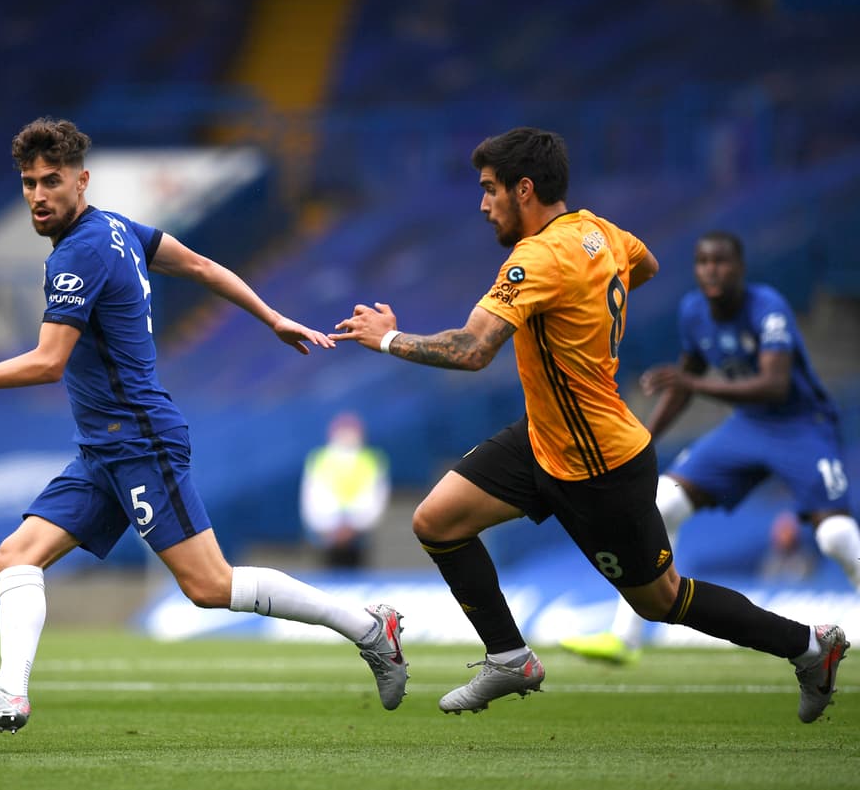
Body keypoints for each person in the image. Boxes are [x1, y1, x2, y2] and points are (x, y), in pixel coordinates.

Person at [0, 117, 407, 734]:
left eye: (51, 181)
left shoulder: (81, 252)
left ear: (81, 180)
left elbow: (47, 361)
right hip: (102, 450)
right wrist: (270, 316)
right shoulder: (116, 228)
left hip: (139, 441)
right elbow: (198, 266)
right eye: (29, 183)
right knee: (15, 555)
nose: (38, 195)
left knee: (209, 585)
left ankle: (367, 626)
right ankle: (10, 694)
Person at [330, 127, 848, 723]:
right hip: (544, 436)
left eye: (490, 190)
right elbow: (644, 263)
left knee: (662, 600)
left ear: (524, 190)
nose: (482, 204)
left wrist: (387, 338)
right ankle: (509, 657)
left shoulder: (539, 256)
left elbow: (473, 350)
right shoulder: (600, 232)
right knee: (437, 522)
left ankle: (810, 647)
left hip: (600, 464)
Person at [561, 230, 860, 663]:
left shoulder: (767, 307)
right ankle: (625, 638)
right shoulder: (693, 312)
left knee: (834, 537)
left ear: (740, 268)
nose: (711, 270)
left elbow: (775, 385)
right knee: (663, 502)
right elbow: (684, 383)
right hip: (747, 427)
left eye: (721, 262)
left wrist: (695, 383)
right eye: (703, 262)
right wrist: (642, 442)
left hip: (800, 425)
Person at [300, 411, 391, 568]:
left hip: (359, 537)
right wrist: (331, 527)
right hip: (327, 536)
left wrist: (354, 526)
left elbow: (377, 498)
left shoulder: (372, 459)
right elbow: (312, 498)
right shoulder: (318, 459)